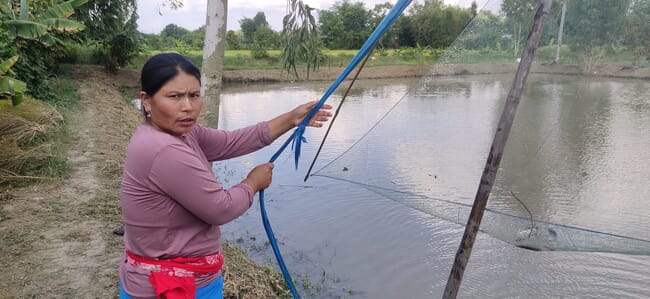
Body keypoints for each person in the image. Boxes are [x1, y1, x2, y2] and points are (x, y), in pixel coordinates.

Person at [118, 53, 332, 299]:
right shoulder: (164, 149)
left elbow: (230, 142)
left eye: (194, 95)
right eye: (174, 96)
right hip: (170, 288)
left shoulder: (181, 134)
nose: (187, 106)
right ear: (146, 100)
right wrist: (252, 182)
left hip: (180, 280)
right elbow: (220, 208)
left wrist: (292, 119)